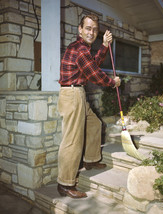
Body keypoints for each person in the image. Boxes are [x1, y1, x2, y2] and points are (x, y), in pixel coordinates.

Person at [57, 14, 121, 199]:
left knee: (94, 124)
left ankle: (91, 160)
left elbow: (92, 65)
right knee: (72, 141)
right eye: (88, 28)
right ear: (80, 29)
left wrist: (104, 46)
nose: (91, 32)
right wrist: (112, 82)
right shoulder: (79, 49)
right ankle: (65, 184)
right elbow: (94, 74)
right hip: (72, 94)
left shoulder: (84, 49)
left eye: (94, 29)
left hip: (78, 92)